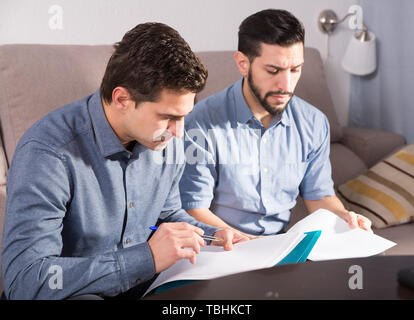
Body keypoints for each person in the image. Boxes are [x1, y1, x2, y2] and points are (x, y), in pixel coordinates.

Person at [1, 22, 247, 300]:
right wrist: (147, 258)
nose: (179, 132)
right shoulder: (48, 154)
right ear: (122, 99)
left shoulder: (165, 140)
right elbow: (25, 281)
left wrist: (214, 236)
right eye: (168, 117)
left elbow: (164, 217)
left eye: (184, 116)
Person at [179, 9, 372, 239]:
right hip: (221, 246)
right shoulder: (199, 123)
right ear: (243, 64)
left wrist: (344, 218)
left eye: (295, 69)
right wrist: (253, 244)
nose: (286, 85)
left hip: (280, 246)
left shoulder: (314, 122)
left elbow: (319, 196)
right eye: (273, 70)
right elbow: (194, 209)